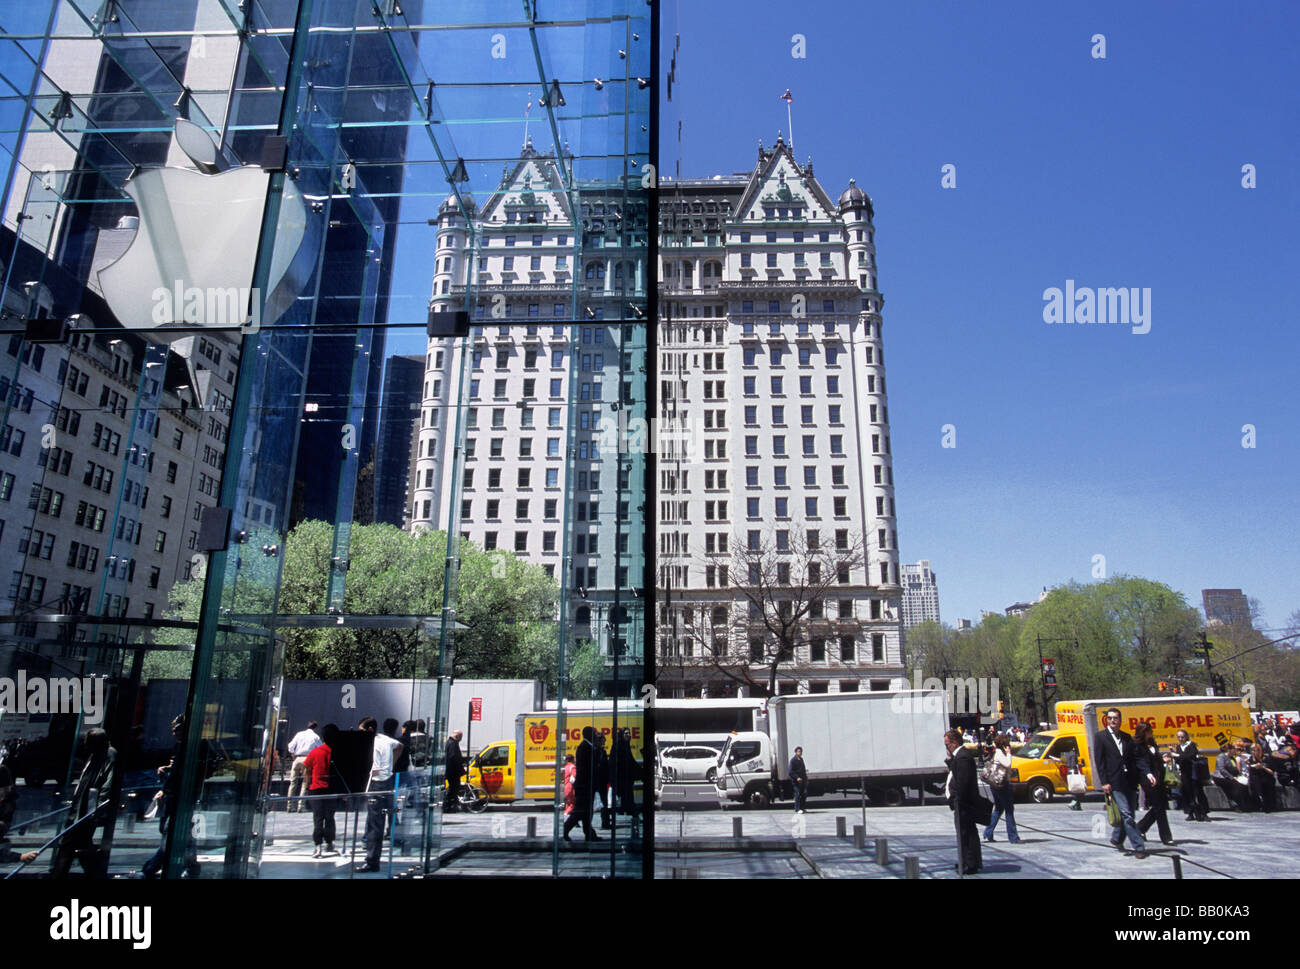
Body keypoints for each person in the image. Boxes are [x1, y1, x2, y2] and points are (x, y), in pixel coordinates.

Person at [50, 728, 117, 878]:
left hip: (87, 810)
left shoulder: (108, 754)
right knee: (80, 846)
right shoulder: (95, 754)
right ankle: (94, 874)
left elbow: (108, 782)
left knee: (69, 846)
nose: (86, 746)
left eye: (88, 743)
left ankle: (60, 875)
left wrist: (98, 806)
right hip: (80, 809)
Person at [1093, 707, 1147, 858]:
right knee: (1126, 814)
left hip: (1129, 781)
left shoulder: (1126, 737)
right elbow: (1100, 761)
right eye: (1110, 718)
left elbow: (1134, 759)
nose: (1112, 721)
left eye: (1115, 718)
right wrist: (1104, 782)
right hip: (1114, 781)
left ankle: (1117, 837)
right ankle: (1138, 846)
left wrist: (1143, 775)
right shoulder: (1100, 737)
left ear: (1120, 720)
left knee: (1130, 813)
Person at [356, 717, 402, 873]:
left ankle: (372, 861)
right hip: (386, 780)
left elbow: (372, 768)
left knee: (374, 824)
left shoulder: (373, 744)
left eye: (361, 730)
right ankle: (372, 858)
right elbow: (399, 746)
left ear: (369, 730)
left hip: (377, 783)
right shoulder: (386, 739)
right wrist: (390, 766)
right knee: (379, 821)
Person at [943, 728, 985, 875]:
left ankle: (970, 863)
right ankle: (966, 861)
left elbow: (963, 782)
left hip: (964, 804)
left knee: (966, 833)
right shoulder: (959, 757)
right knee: (965, 833)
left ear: (954, 743)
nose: (947, 748)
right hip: (961, 804)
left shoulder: (963, 758)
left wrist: (957, 799)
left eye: (947, 745)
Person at [1134, 722, 1174, 846]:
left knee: (1160, 805)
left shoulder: (1153, 743)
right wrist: (1148, 773)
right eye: (1149, 731)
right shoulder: (1137, 745)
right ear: (1144, 732)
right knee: (1159, 806)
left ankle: (1140, 827)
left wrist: (1163, 760)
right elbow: (1140, 762)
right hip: (1147, 778)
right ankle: (1166, 836)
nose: (1152, 733)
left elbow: (1154, 759)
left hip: (1158, 777)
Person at [304, 724, 338, 858]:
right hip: (331, 789)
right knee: (330, 817)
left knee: (318, 818)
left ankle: (317, 846)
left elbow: (307, 769)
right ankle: (329, 843)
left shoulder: (316, 752)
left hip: (316, 789)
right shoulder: (338, 752)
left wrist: (307, 786)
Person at [982, 734, 1021, 843]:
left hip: (995, 784)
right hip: (1001, 785)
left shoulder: (996, 753)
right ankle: (1013, 837)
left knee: (998, 809)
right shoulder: (1000, 753)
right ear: (1004, 745)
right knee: (1009, 810)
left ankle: (988, 832)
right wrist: (1009, 753)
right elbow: (1008, 764)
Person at [562, 727, 598, 842]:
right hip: (584, 786)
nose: (595, 735)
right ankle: (566, 829)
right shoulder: (584, 747)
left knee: (587, 812)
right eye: (593, 733)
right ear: (589, 734)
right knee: (580, 812)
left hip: (586, 785)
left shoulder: (588, 746)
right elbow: (585, 769)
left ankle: (589, 834)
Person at [285, 720, 321, 813]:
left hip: (297, 759)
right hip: (307, 759)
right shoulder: (315, 737)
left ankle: (289, 806)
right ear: (315, 728)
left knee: (293, 782)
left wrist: (293, 753)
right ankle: (300, 806)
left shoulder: (299, 734)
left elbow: (290, 746)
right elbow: (320, 749)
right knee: (305, 783)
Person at [1173, 729, 1209, 821]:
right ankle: (1190, 812)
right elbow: (1179, 760)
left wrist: (1178, 756)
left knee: (1198, 792)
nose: (1180, 739)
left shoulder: (1191, 745)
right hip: (1185, 772)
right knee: (1187, 793)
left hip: (1193, 772)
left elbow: (1191, 756)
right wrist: (1176, 757)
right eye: (1179, 737)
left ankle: (1203, 813)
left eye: (1182, 737)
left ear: (1186, 737)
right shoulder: (1178, 747)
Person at [1246, 743, 1277, 813]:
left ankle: (1264, 801)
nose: (1253, 752)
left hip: (1267, 777)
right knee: (1255, 779)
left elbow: (1272, 772)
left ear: (1259, 750)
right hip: (1256, 779)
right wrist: (1249, 765)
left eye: (1255, 750)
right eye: (1252, 751)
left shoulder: (1266, 758)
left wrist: (1263, 767)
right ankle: (1260, 800)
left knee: (1263, 782)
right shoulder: (1251, 759)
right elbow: (1250, 770)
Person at [444, 729, 465, 813]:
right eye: (461, 737)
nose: (461, 739)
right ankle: (449, 805)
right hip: (453, 772)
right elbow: (453, 757)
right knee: (453, 788)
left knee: (453, 788)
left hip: (450, 771)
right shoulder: (453, 744)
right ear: (457, 736)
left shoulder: (449, 742)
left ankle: (450, 805)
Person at [594, 732, 611, 828]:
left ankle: (605, 821)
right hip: (598, 781)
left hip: (602, 781)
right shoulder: (597, 752)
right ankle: (605, 821)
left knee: (604, 802)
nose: (604, 741)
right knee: (602, 802)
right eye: (603, 739)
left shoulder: (601, 752)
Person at [1063, 744, 1083, 810]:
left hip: (1069, 772)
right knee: (1077, 789)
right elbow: (1073, 764)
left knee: (1074, 788)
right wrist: (1080, 765)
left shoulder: (1066, 753)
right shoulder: (1073, 754)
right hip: (1074, 772)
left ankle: (1077, 805)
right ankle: (1075, 803)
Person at [789, 746, 808, 814]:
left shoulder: (801, 759)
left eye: (801, 751)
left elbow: (803, 770)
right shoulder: (793, 760)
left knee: (804, 794)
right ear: (796, 752)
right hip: (796, 781)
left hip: (803, 780)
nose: (800, 753)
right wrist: (797, 777)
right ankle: (797, 808)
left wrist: (805, 779)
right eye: (799, 751)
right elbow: (790, 772)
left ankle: (802, 808)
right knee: (797, 794)